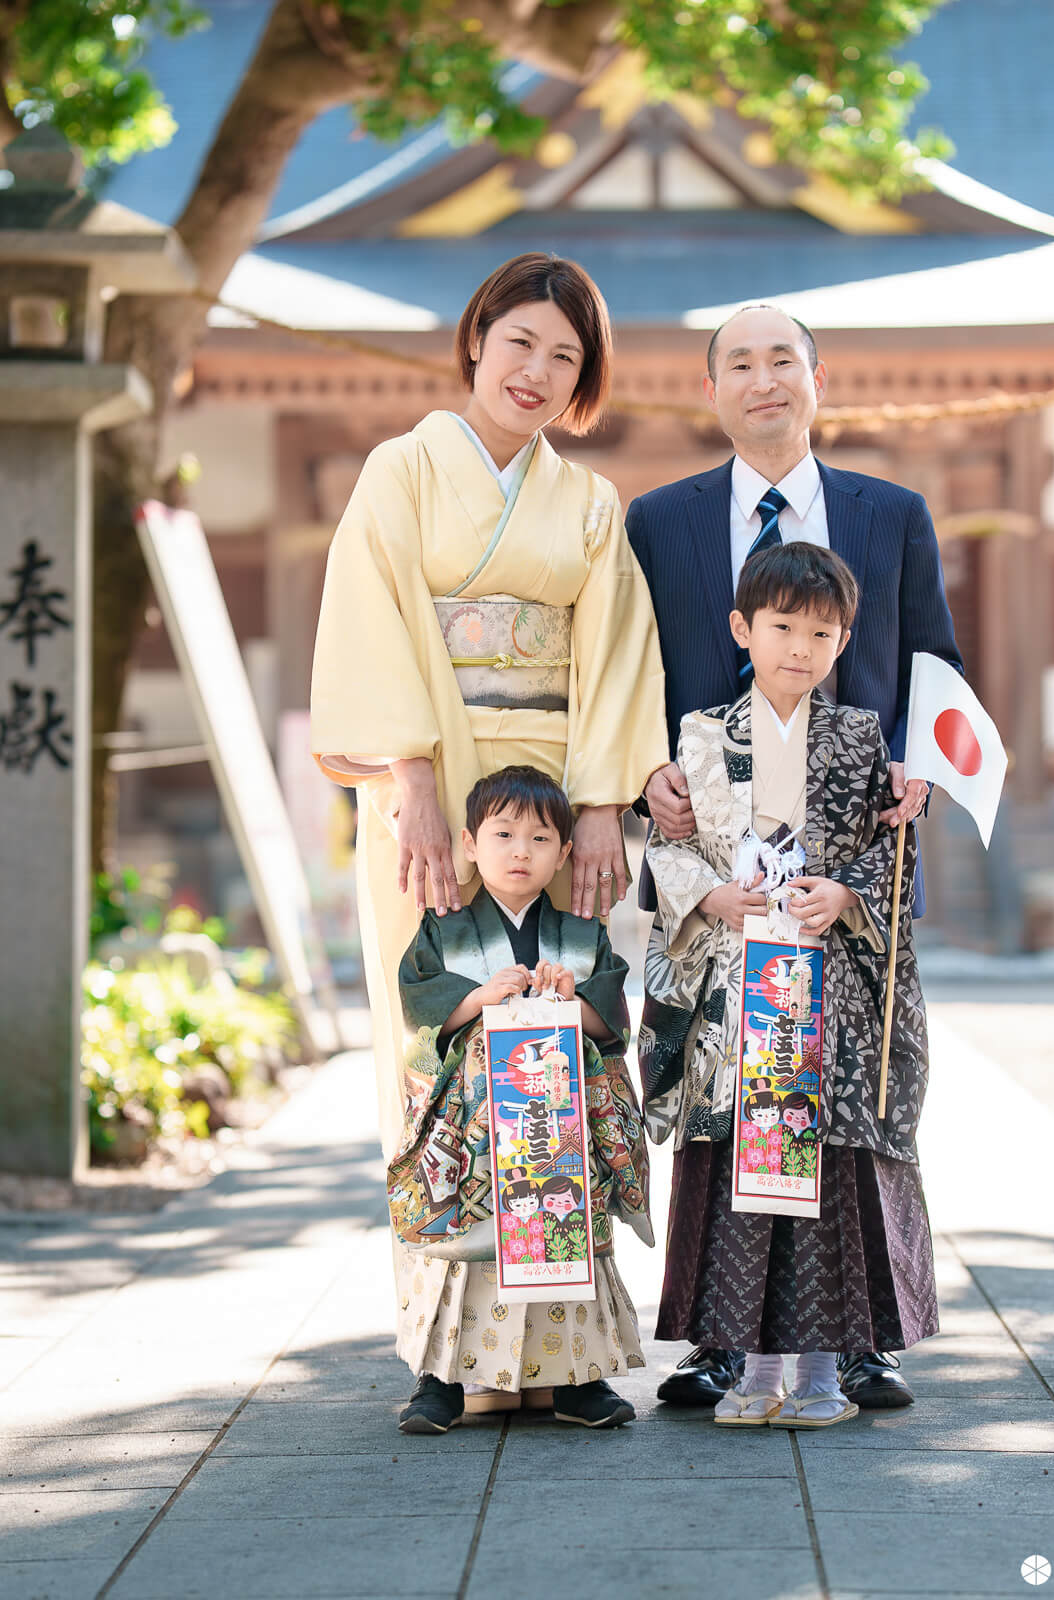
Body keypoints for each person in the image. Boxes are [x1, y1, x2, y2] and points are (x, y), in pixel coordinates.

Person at [310, 254, 668, 1419]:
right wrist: (409, 774)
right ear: (475, 339)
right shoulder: (401, 471)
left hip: (552, 802)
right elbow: (372, 620)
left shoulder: (588, 504)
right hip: (429, 791)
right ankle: (445, 1352)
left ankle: (558, 1353)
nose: (537, 370)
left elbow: (615, 652)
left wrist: (605, 805)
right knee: (441, 1056)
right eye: (519, 342)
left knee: (555, 1050)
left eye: (564, 357)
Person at [626, 302, 960, 1411]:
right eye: (738, 362)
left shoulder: (891, 512)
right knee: (728, 1091)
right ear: (709, 388)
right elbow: (634, 672)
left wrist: (915, 769)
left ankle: (861, 1333)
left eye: (783, 360)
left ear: (816, 378)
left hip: (847, 862)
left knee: (847, 1101)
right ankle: (722, 1339)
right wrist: (644, 775)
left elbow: (930, 668)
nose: (763, 379)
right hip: (716, 849)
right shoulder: (659, 520)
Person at [640, 541, 938, 1428]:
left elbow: (885, 847)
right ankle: (750, 1374)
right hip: (739, 993)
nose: (800, 647)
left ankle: (817, 1378)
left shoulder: (860, 736)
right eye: (781, 627)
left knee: (823, 1182)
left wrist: (847, 892)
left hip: (828, 992)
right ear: (743, 629)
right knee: (747, 1170)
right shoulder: (700, 735)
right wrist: (710, 893)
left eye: (821, 631)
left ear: (845, 640)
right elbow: (671, 851)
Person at [390, 766, 652, 1432]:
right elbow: (422, 1015)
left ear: (565, 853)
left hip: (553, 1125)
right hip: (474, 1133)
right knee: (466, 1247)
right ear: (469, 844)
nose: (519, 851)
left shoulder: (580, 934)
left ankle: (576, 1379)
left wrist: (574, 1003)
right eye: (502, 834)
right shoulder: (444, 928)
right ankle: (443, 1379)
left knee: (562, 1224)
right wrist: (476, 1000)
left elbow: (611, 1025)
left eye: (539, 839)